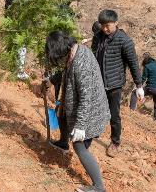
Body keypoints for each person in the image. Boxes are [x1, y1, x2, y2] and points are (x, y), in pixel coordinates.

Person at [45, 30, 110, 192]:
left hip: (90, 112)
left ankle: (99, 187)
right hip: (80, 106)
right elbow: (66, 71)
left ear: (61, 50)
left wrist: (80, 126)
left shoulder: (81, 64)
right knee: (61, 113)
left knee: (80, 146)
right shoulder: (74, 51)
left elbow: (86, 98)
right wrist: (50, 80)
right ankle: (62, 143)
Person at [91, 9, 143, 158]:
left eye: (108, 25)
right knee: (97, 109)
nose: (105, 29)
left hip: (114, 84)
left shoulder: (124, 41)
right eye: (102, 25)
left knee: (114, 115)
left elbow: (133, 63)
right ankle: (93, 132)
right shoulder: (98, 37)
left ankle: (115, 142)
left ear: (116, 23)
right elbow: (94, 57)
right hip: (98, 81)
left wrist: (139, 86)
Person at [129, 52, 156, 121]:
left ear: (145, 63)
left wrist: (139, 87)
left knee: (134, 93)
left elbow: (143, 78)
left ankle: (131, 111)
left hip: (151, 88)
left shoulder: (147, 66)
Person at [5, 0, 30, 79]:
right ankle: (20, 71)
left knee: (12, 45)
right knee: (22, 47)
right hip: (22, 26)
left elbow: (6, 11)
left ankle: (9, 66)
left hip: (11, 24)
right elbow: (30, 14)